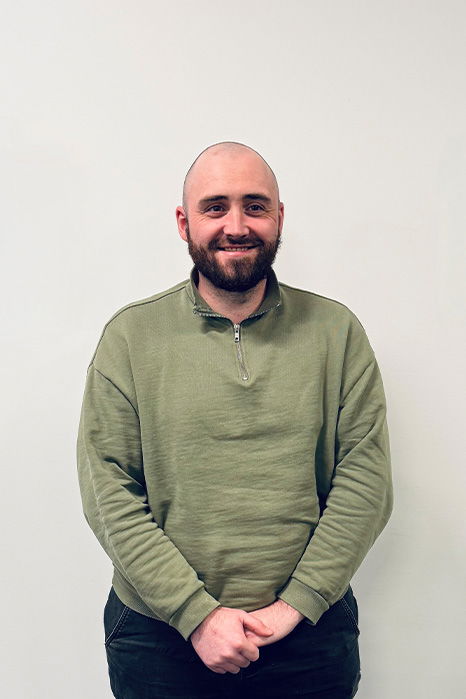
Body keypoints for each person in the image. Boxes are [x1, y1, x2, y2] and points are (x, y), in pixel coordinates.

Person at [77, 141, 393, 698]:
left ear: (279, 217)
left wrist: (294, 606)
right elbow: (109, 493)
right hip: (158, 637)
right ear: (184, 222)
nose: (237, 225)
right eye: (215, 207)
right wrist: (196, 614)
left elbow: (365, 483)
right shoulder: (130, 338)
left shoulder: (336, 332)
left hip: (308, 635)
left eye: (255, 205)